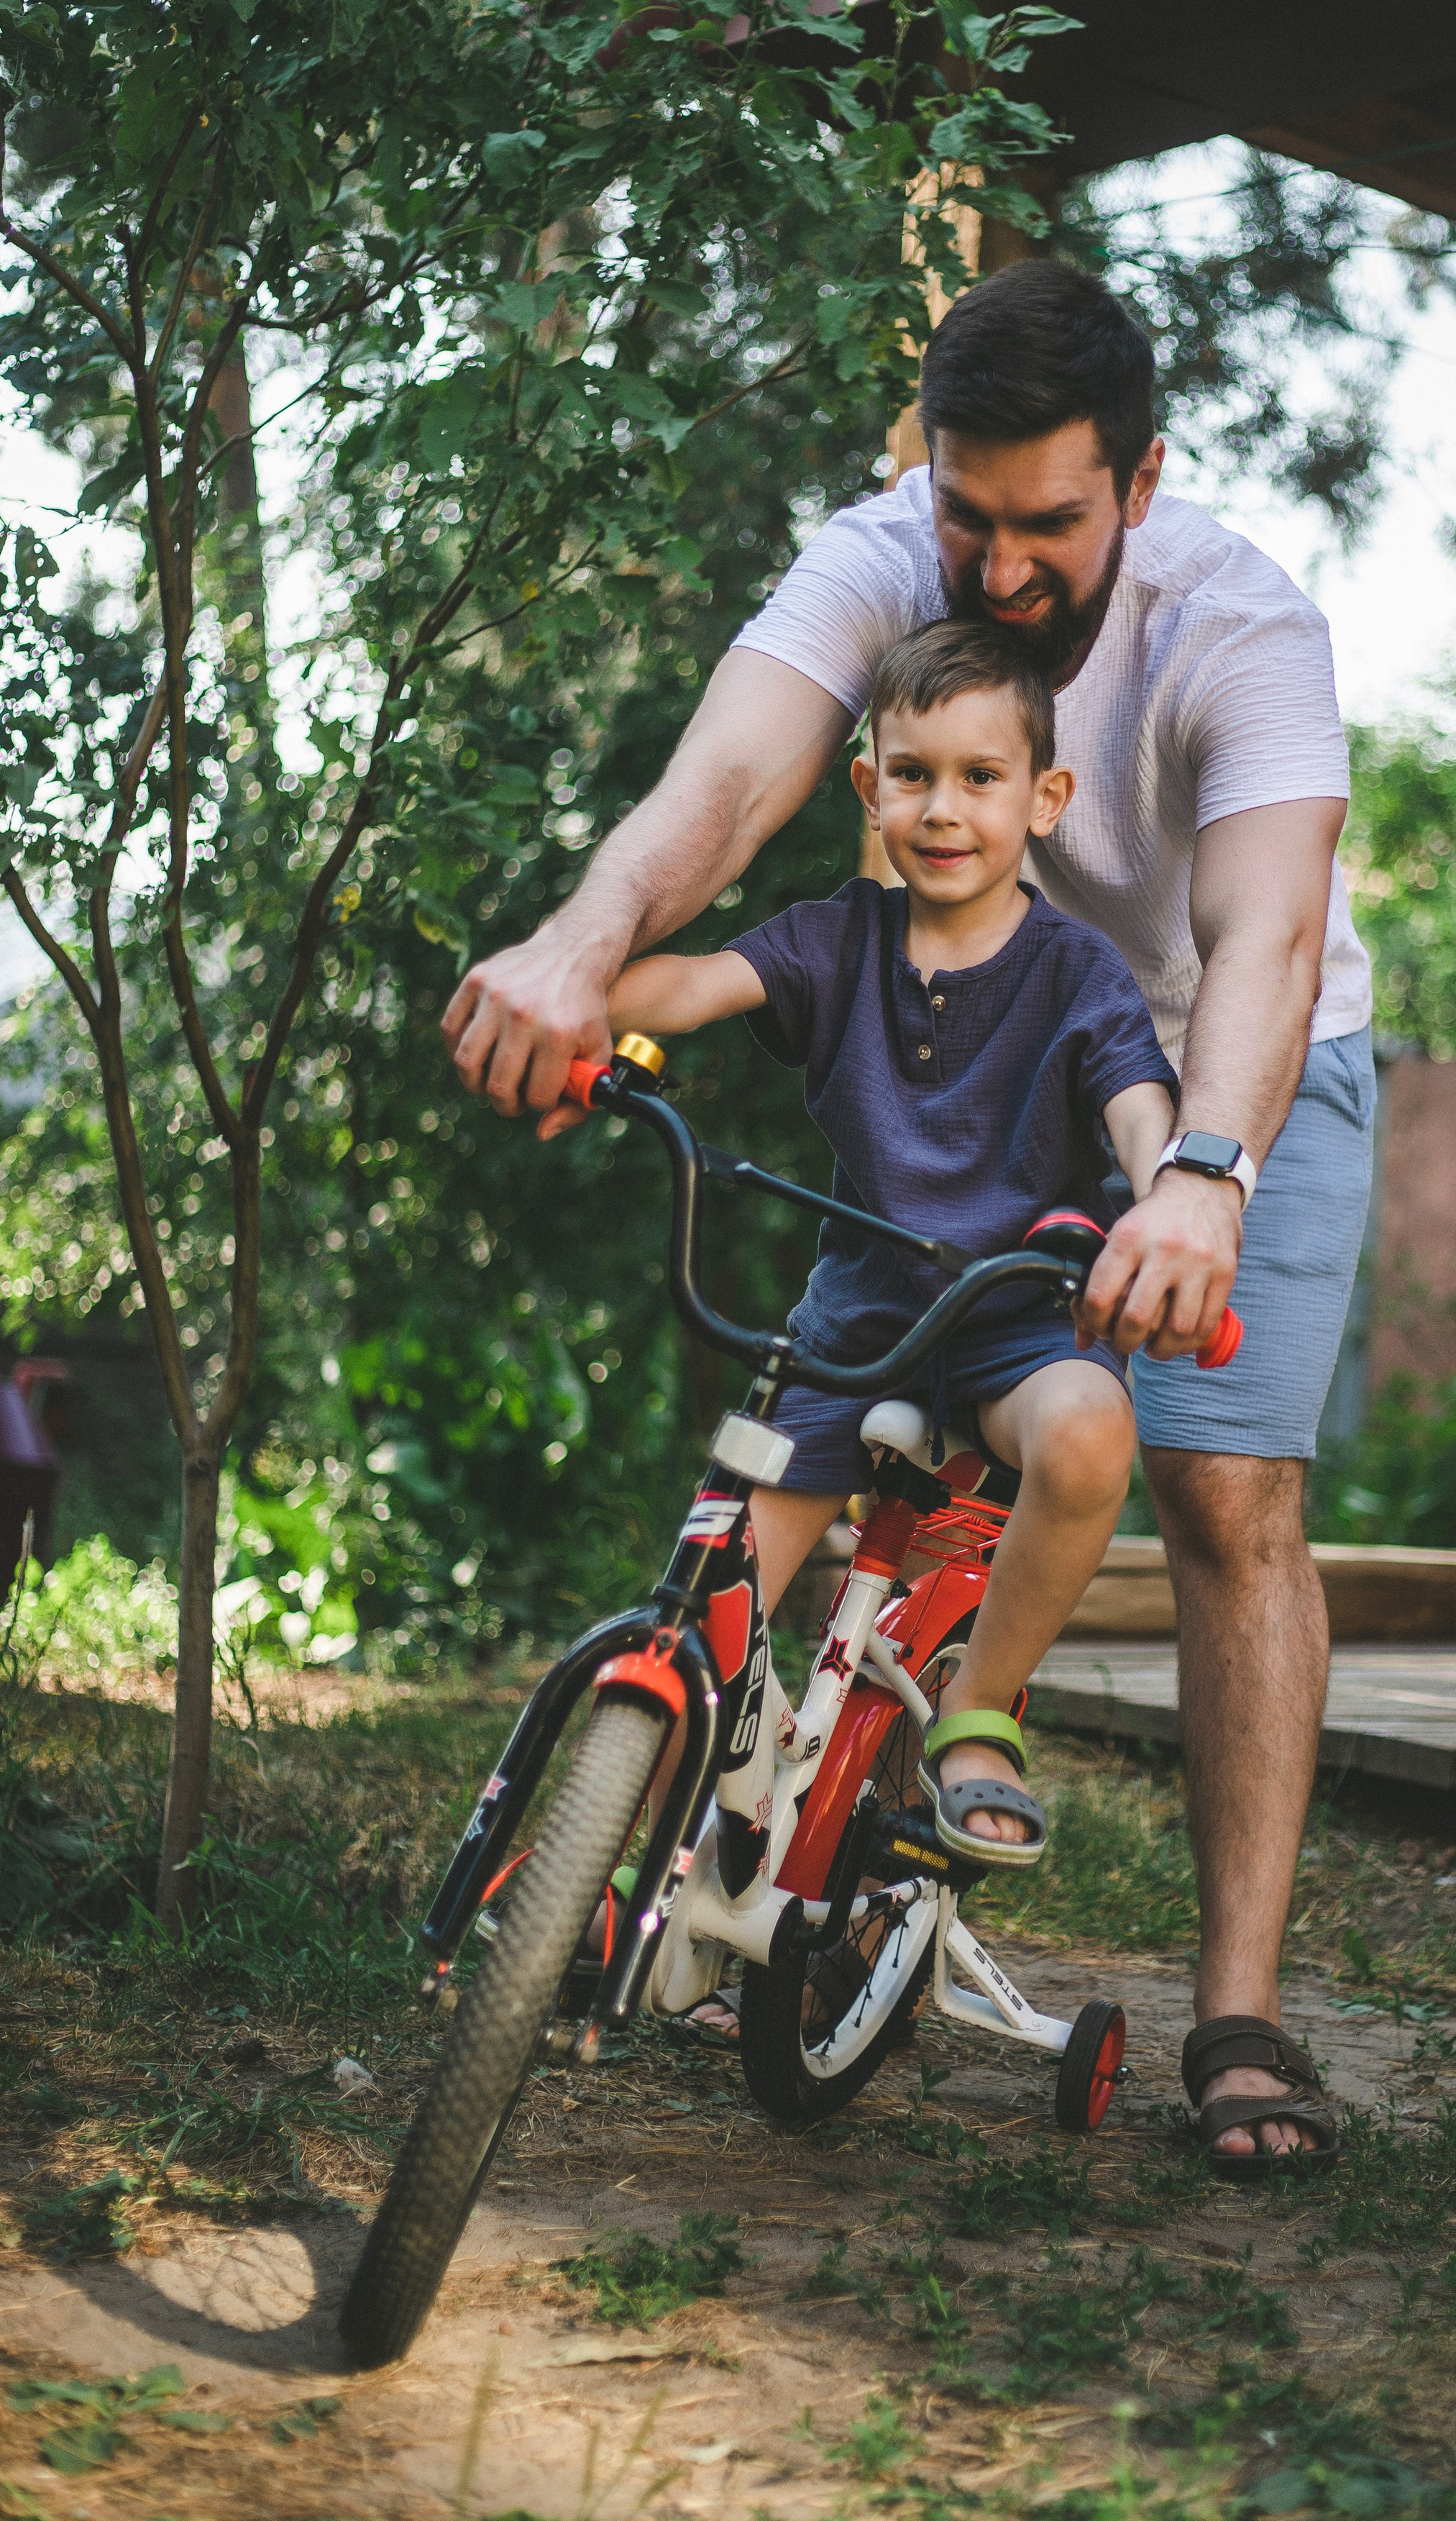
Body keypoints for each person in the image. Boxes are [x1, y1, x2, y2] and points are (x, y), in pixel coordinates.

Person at [444, 260, 1372, 2178]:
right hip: (937, 1041)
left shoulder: (1243, 625)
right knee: (833, 1433)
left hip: (1207, 1064)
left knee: (1223, 1494)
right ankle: (720, 1832)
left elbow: (1264, 933)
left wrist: (1198, 1174)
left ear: (1140, 477)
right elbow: (724, 788)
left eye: (1052, 521)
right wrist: (576, 950)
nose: (1004, 563)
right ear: (922, 469)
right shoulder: (881, 556)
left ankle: (1241, 2010)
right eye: (970, 513)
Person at [603, 619, 1177, 1864]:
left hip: (1018, 1329)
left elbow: (1139, 1104)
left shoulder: (1080, 976)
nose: (944, 807)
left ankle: (977, 1715)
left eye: (982, 777)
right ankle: (619, 1883)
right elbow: (692, 985)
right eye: (912, 774)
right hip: (852, 1333)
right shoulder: (835, 941)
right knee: (704, 1615)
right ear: (871, 789)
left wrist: (1170, 1200)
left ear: (1046, 798)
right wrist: (564, 991)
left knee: (1089, 1434)